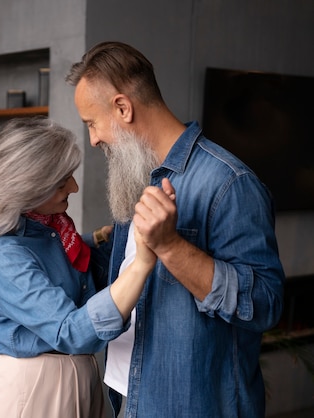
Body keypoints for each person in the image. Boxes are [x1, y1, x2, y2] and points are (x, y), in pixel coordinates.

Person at [65, 41, 285, 418]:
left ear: (123, 107)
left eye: (92, 123)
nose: (94, 139)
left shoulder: (229, 183)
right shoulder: (136, 173)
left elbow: (265, 304)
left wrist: (170, 246)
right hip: (129, 397)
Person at [0, 117, 157, 418]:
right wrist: (141, 265)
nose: (74, 186)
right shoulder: (3, 255)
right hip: (35, 389)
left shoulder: (52, 227)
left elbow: (53, 260)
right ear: (27, 187)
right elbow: (70, 331)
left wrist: (95, 241)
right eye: (61, 181)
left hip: (80, 376)